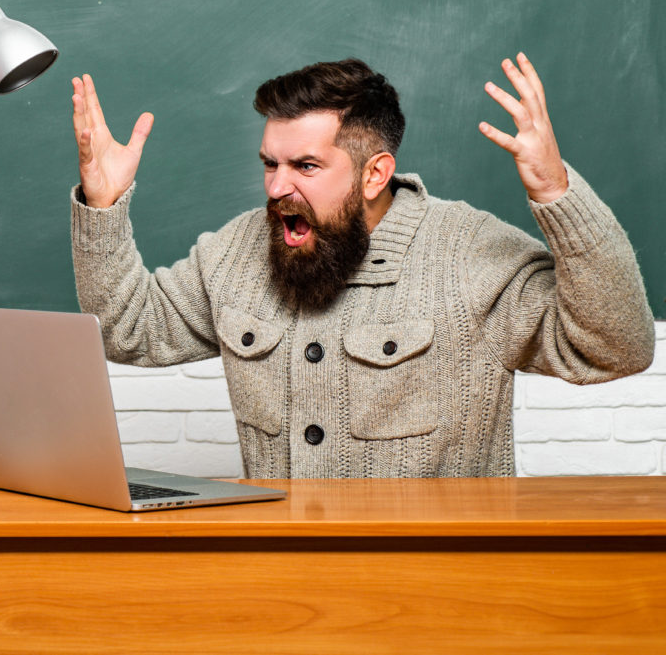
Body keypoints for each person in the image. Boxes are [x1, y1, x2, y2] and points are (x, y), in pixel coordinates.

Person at [69, 54, 655, 478]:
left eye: (305, 166)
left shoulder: (472, 252)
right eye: (269, 164)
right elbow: (127, 331)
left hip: (439, 596)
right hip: (283, 587)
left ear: (375, 173)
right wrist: (103, 205)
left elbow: (616, 347)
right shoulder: (236, 250)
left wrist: (556, 191)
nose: (277, 187)